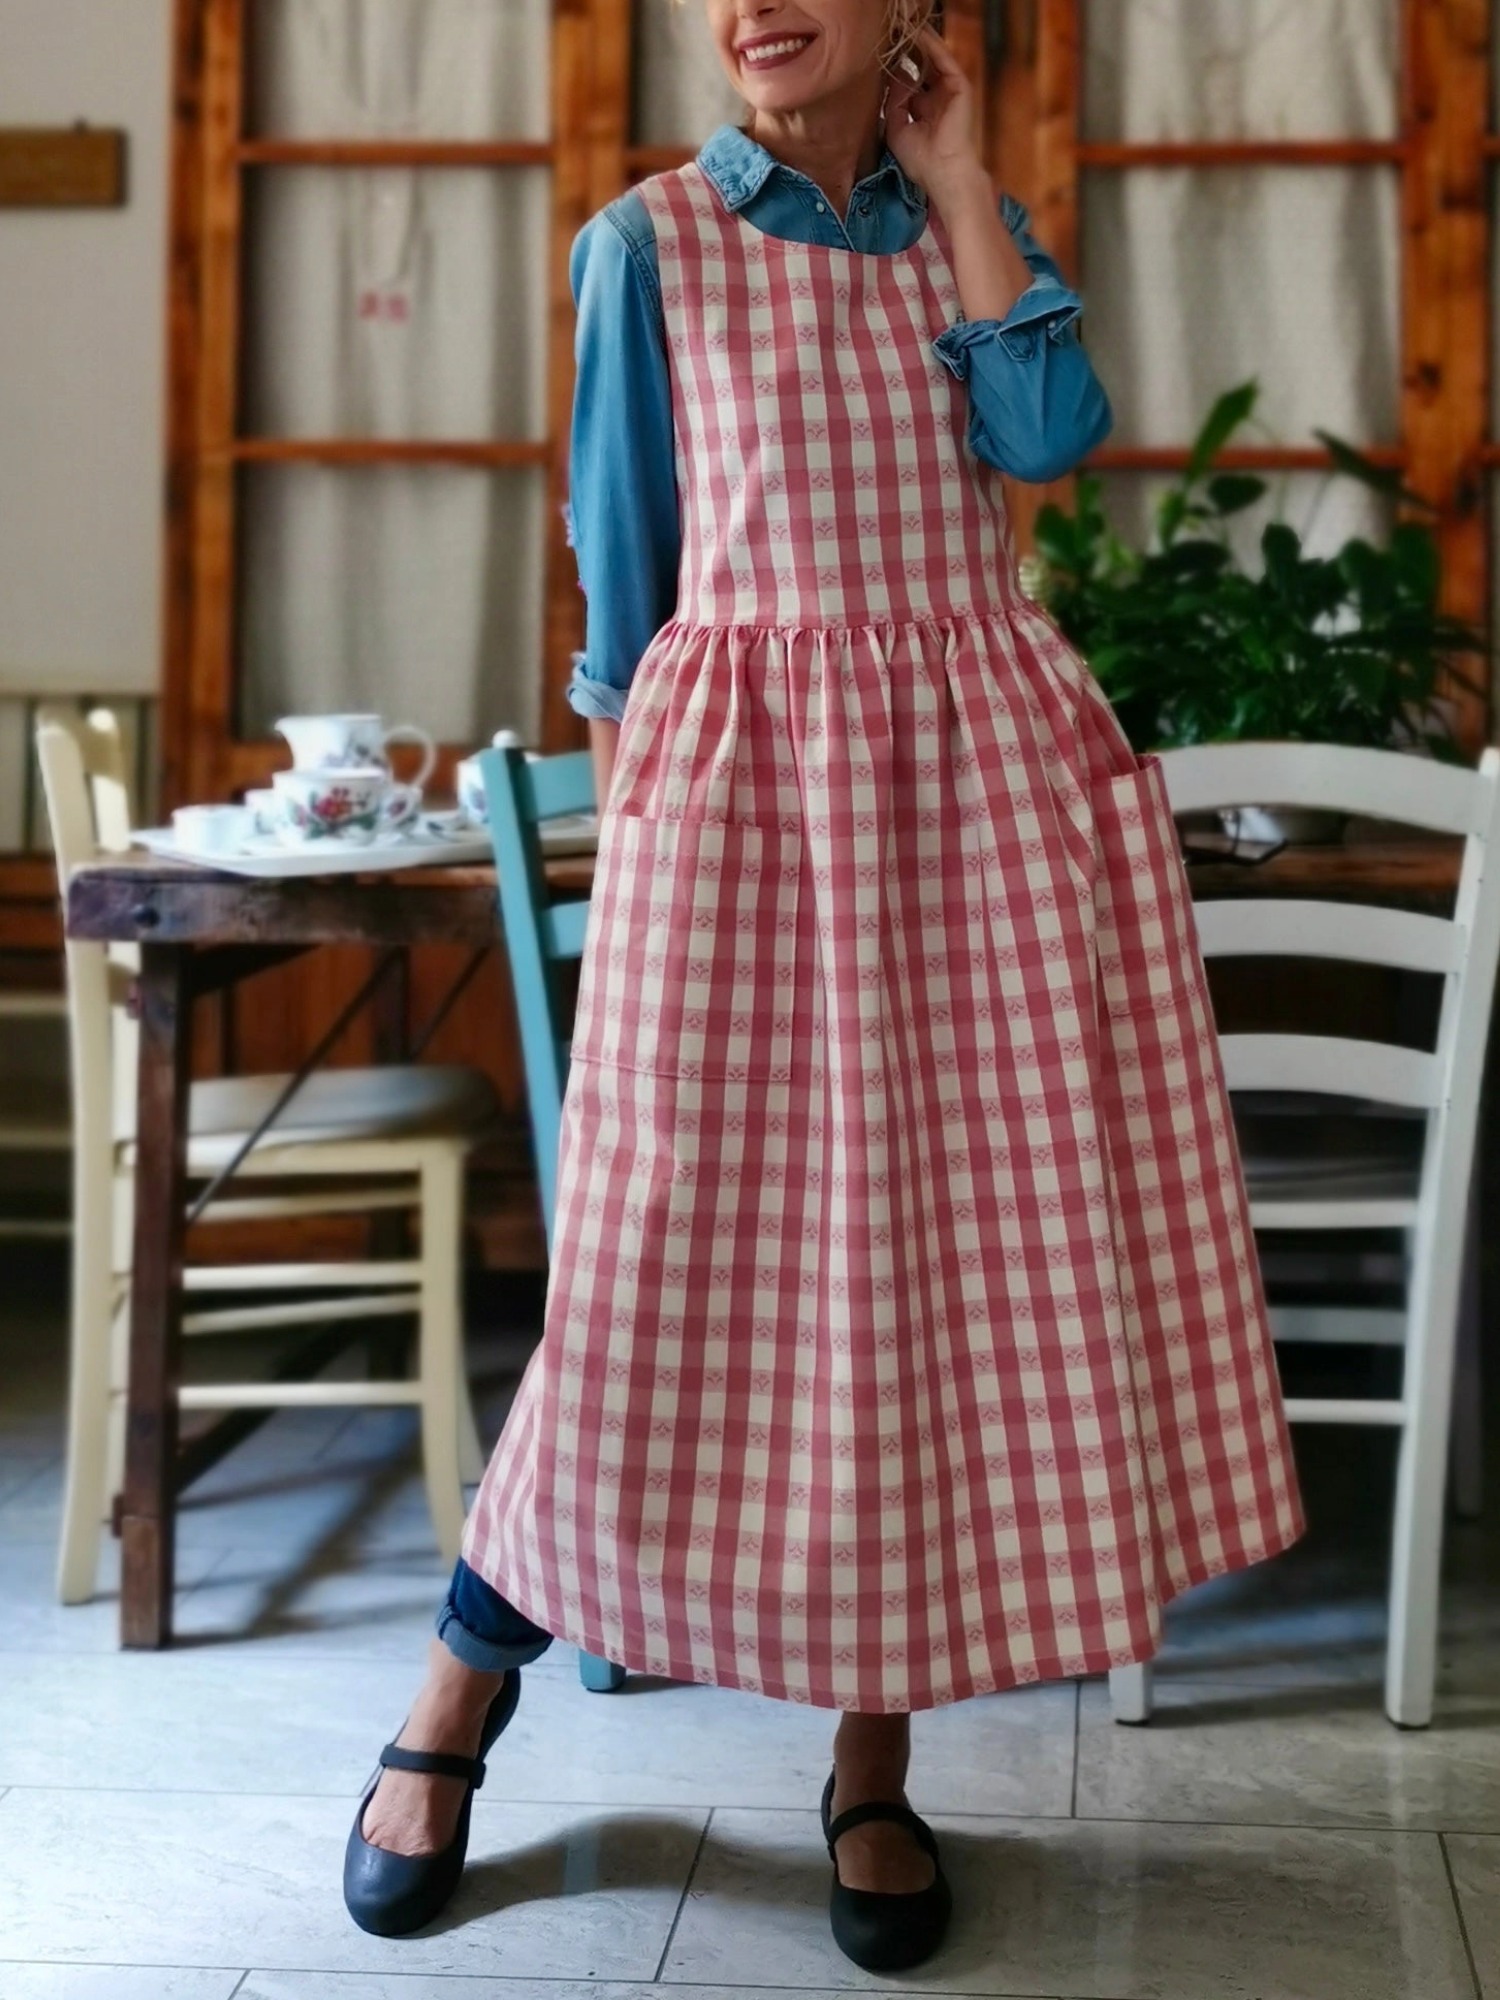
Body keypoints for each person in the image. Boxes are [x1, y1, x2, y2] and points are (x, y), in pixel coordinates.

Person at [344, 0, 1305, 1972]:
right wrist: (643, 881)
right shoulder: (647, 245)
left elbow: (1047, 443)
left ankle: (874, 1764)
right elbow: (624, 597)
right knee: (646, 1273)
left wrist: (961, 184)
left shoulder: (971, 225)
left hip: (978, 811)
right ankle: (456, 1690)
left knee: (926, 1276)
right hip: (745, 812)